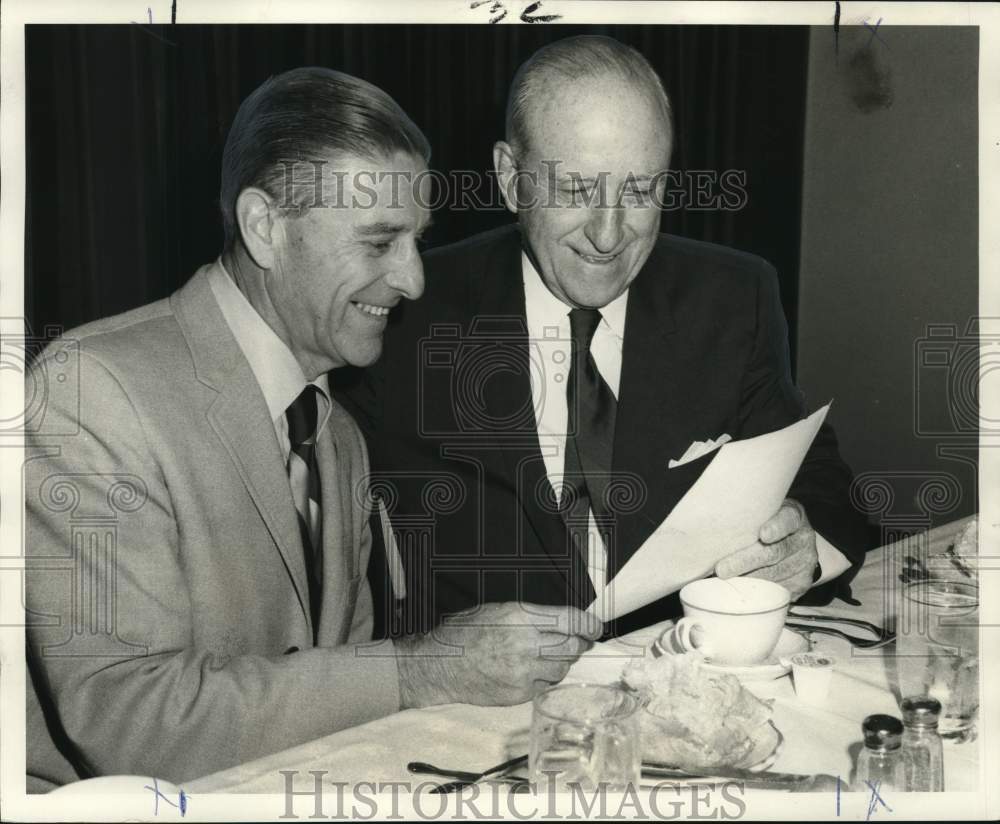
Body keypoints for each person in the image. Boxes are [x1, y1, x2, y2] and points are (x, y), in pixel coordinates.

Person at [24, 66, 601, 791]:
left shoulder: (337, 435)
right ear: (265, 228)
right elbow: (132, 724)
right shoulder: (90, 392)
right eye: (379, 241)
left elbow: (341, 712)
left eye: (416, 240)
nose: (415, 279)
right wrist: (420, 670)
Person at [335, 36, 872, 638]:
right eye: (575, 190)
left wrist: (806, 542)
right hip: (476, 713)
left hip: (682, 687)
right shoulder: (405, 309)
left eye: (640, 191)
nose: (610, 235)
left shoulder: (732, 297)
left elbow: (823, 480)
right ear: (511, 179)